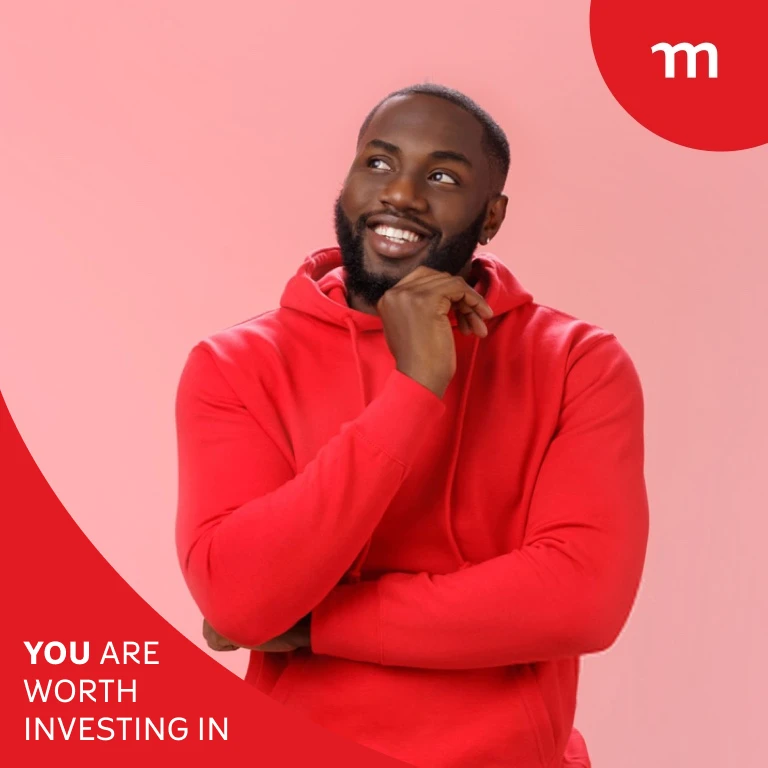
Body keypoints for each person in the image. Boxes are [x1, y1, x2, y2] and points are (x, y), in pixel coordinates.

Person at [174, 82, 649, 768]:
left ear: (491, 217)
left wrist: (313, 625)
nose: (400, 193)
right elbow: (241, 600)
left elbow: (582, 600)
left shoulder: (579, 363)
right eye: (377, 163)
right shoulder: (236, 365)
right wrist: (416, 387)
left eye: (442, 176)